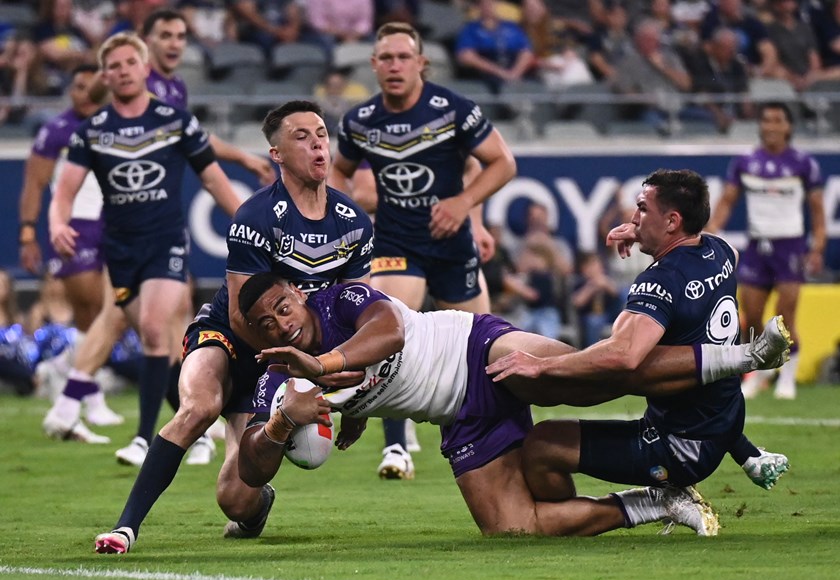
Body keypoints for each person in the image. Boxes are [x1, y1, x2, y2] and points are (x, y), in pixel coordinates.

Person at [227, 261, 790, 542]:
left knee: (604, 375)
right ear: (256, 333)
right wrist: (279, 424)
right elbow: (250, 469)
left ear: (299, 295)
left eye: (284, 306)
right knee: (512, 528)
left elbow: (390, 332)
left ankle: (739, 359)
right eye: (266, 322)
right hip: (458, 414)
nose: (282, 322)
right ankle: (659, 503)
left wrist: (324, 369)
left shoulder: (339, 299)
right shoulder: (274, 377)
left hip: (476, 348)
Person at [93, 100, 374, 555]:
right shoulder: (256, 216)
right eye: (301, 136)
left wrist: (357, 398)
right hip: (231, 335)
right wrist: (299, 369)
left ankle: (256, 508)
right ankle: (125, 528)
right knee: (198, 407)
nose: (317, 143)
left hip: (289, 360)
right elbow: (246, 313)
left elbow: (359, 313)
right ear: (276, 154)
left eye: (321, 133)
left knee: (235, 499)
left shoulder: (354, 223)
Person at [42, 8, 276, 462]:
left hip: (165, 243)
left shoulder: (174, 119)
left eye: (131, 63)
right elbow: (64, 188)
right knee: (161, 344)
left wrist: (250, 223)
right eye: (114, 65)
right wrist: (55, 223)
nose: (123, 71)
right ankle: (200, 421)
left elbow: (212, 178)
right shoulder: (91, 132)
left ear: (144, 68)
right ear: (105, 76)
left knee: (154, 329)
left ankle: (143, 436)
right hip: (121, 249)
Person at [487, 170, 791, 513]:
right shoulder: (720, 251)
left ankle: (654, 505)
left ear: (672, 220)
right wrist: (645, 232)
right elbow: (714, 250)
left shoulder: (660, 280)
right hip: (728, 419)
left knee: (542, 446)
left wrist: (541, 365)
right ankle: (747, 441)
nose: (633, 217)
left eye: (643, 209)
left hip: (680, 447)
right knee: (663, 354)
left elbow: (624, 356)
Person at [329, 21, 516, 479]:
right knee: (389, 331)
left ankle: (504, 443)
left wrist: (464, 204)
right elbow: (338, 175)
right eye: (386, 58)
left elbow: (503, 163)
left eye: (403, 57)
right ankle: (396, 449)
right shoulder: (360, 121)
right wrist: (348, 220)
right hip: (397, 243)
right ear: (373, 65)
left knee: (486, 349)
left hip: (453, 246)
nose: (394, 65)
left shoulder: (452, 109)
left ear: (421, 63)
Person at [18, 63, 125, 433]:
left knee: (114, 313)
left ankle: (62, 369)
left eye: (87, 86)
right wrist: (28, 233)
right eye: (76, 86)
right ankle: (91, 399)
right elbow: (34, 183)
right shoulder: (57, 130)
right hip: (74, 224)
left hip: (114, 220)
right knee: (89, 308)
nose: (80, 93)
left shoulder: (118, 123)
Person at [708, 102, 826, 400]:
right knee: (753, 316)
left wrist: (817, 247)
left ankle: (787, 376)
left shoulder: (803, 163)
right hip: (757, 245)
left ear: (788, 126)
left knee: (784, 318)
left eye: (778, 120)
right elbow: (727, 201)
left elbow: (818, 211)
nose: (772, 126)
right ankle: (761, 372)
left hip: (790, 246)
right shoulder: (745, 161)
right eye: (767, 120)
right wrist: (711, 233)